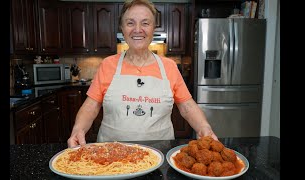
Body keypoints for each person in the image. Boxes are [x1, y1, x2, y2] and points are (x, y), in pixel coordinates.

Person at [67, 0, 218, 147]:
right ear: (122, 28)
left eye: (145, 23)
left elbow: (187, 107)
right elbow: (91, 107)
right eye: (130, 23)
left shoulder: (169, 67)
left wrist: (204, 127)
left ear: (153, 28)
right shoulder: (108, 65)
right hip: (111, 155)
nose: (137, 29)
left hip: (160, 152)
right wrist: (78, 129)